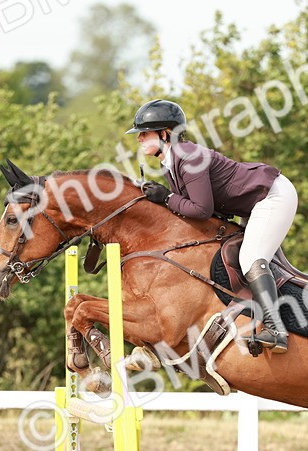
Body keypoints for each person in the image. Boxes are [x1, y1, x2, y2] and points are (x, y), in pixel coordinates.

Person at [127, 99, 297, 353]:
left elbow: (201, 210)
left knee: (251, 257)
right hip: (251, 203)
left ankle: (276, 329)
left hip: (272, 196)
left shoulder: (189, 156)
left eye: (145, 133)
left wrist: (166, 198)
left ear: (165, 134)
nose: (139, 139)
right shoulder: (171, 161)